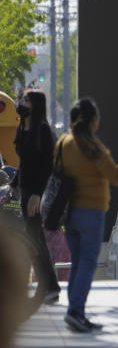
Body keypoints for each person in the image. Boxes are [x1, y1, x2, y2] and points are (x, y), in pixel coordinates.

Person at [59, 98, 118, 332]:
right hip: (92, 213)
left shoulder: (63, 144)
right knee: (87, 262)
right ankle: (76, 311)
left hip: (68, 212)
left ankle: (74, 311)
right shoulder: (93, 148)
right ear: (93, 121)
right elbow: (116, 178)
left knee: (77, 262)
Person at [11, 90, 59, 304]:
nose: (22, 103)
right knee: (35, 239)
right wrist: (13, 184)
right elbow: (25, 163)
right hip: (26, 190)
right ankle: (50, 287)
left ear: (36, 105)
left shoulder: (43, 130)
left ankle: (45, 287)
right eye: (22, 99)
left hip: (37, 192)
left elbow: (47, 166)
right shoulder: (24, 127)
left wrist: (37, 195)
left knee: (32, 239)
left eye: (27, 100)